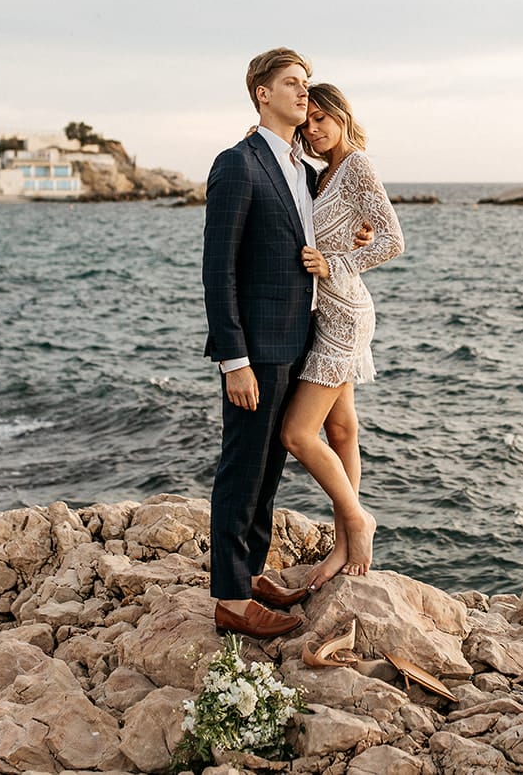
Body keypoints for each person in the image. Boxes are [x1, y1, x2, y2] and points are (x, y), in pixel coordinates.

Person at [202, 47, 328, 640]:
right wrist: (235, 360)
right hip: (255, 350)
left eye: (306, 83)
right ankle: (229, 597)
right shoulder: (238, 164)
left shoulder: (303, 169)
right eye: (292, 83)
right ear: (262, 93)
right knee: (242, 469)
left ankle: (250, 572)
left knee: (270, 466)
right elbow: (217, 269)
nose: (305, 93)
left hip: (300, 340)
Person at [280, 83, 403, 588]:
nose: (313, 128)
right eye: (307, 122)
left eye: (322, 118)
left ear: (342, 116)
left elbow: (393, 239)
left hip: (343, 313)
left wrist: (335, 263)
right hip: (329, 310)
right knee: (342, 430)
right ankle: (344, 545)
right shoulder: (325, 170)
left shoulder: (356, 165)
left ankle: (357, 520)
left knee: (296, 434)